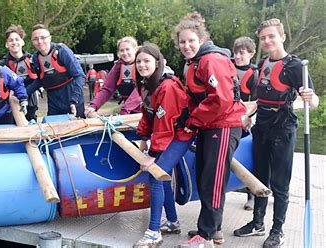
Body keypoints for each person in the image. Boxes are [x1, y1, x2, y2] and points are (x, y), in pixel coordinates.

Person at [233, 18, 319, 248]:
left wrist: (311, 97)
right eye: (263, 38)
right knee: (260, 178)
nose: (267, 40)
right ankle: (257, 223)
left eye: (271, 36)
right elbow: (259, 99)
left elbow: (314, 102)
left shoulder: (295, 65)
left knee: (280, 183)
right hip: (261, 127)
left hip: (283, 129)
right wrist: (247, 117)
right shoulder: (261, 64)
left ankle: (277, 230)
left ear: (282, 36)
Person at [173, 12, 246, 248]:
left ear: (202, 39)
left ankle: (204, 236)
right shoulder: (194, 63)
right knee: (206, 178)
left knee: (213, 180)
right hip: (210, 125)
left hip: (223, 125)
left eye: (191, 41)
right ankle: (213, 229)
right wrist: (186, 115)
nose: (186, 46)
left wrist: (193, 119)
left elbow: (222, 100)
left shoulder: (210, 60)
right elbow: (196, 96)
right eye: (182, 42)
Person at [133, 42, 194, 247]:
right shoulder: (145, 84)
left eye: (147, 61)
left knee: (156, 174)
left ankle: (153, 232)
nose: (142, 65)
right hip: (166, 133)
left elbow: (165, 125)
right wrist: (142, 138)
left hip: (180, 135)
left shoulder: (167, 87)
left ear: (157, 62)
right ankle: (173, 222)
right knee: (163, 175)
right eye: (139, 61)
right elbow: (147, 115)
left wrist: (153, 154)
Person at [26, 24, 85, 117]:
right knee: (53, 129)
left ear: (49, 38)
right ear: (32, 42)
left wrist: (74, 100)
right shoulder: (35, 59)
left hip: (72, 99)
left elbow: (80, 76)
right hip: (54, 103)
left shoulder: (62, 51)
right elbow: (40, 81)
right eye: (35, 39)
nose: (40, 41)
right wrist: (22, 94)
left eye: (43, 37)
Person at [232, 36, 258, 211]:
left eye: (242, 53)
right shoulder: (228, 68)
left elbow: (256, 100)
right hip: (232, 116)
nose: (239, 56)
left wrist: (248, 118)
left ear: (251, 54)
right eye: (236, 53)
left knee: (251, 154)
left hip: (249, 117)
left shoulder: (254, 74)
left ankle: (251, 194)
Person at [85, 36, 141, 117]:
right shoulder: (118, 66)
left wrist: (125, 110)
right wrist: (93, 105)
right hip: (128, 111)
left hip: (144, 109)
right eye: (122, 50)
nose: (125, 53)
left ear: (135, 50)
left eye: (127, 49)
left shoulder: (142, 65)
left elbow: (141, 90)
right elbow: (107, 89)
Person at [0, 24, 39, 122]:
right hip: (12, 103)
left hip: (32, 101)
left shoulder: (33, 60)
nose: (14, 42)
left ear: (22, 42)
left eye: (17, 39)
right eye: (11, 40)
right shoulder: (2, 65)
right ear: (6, 44)